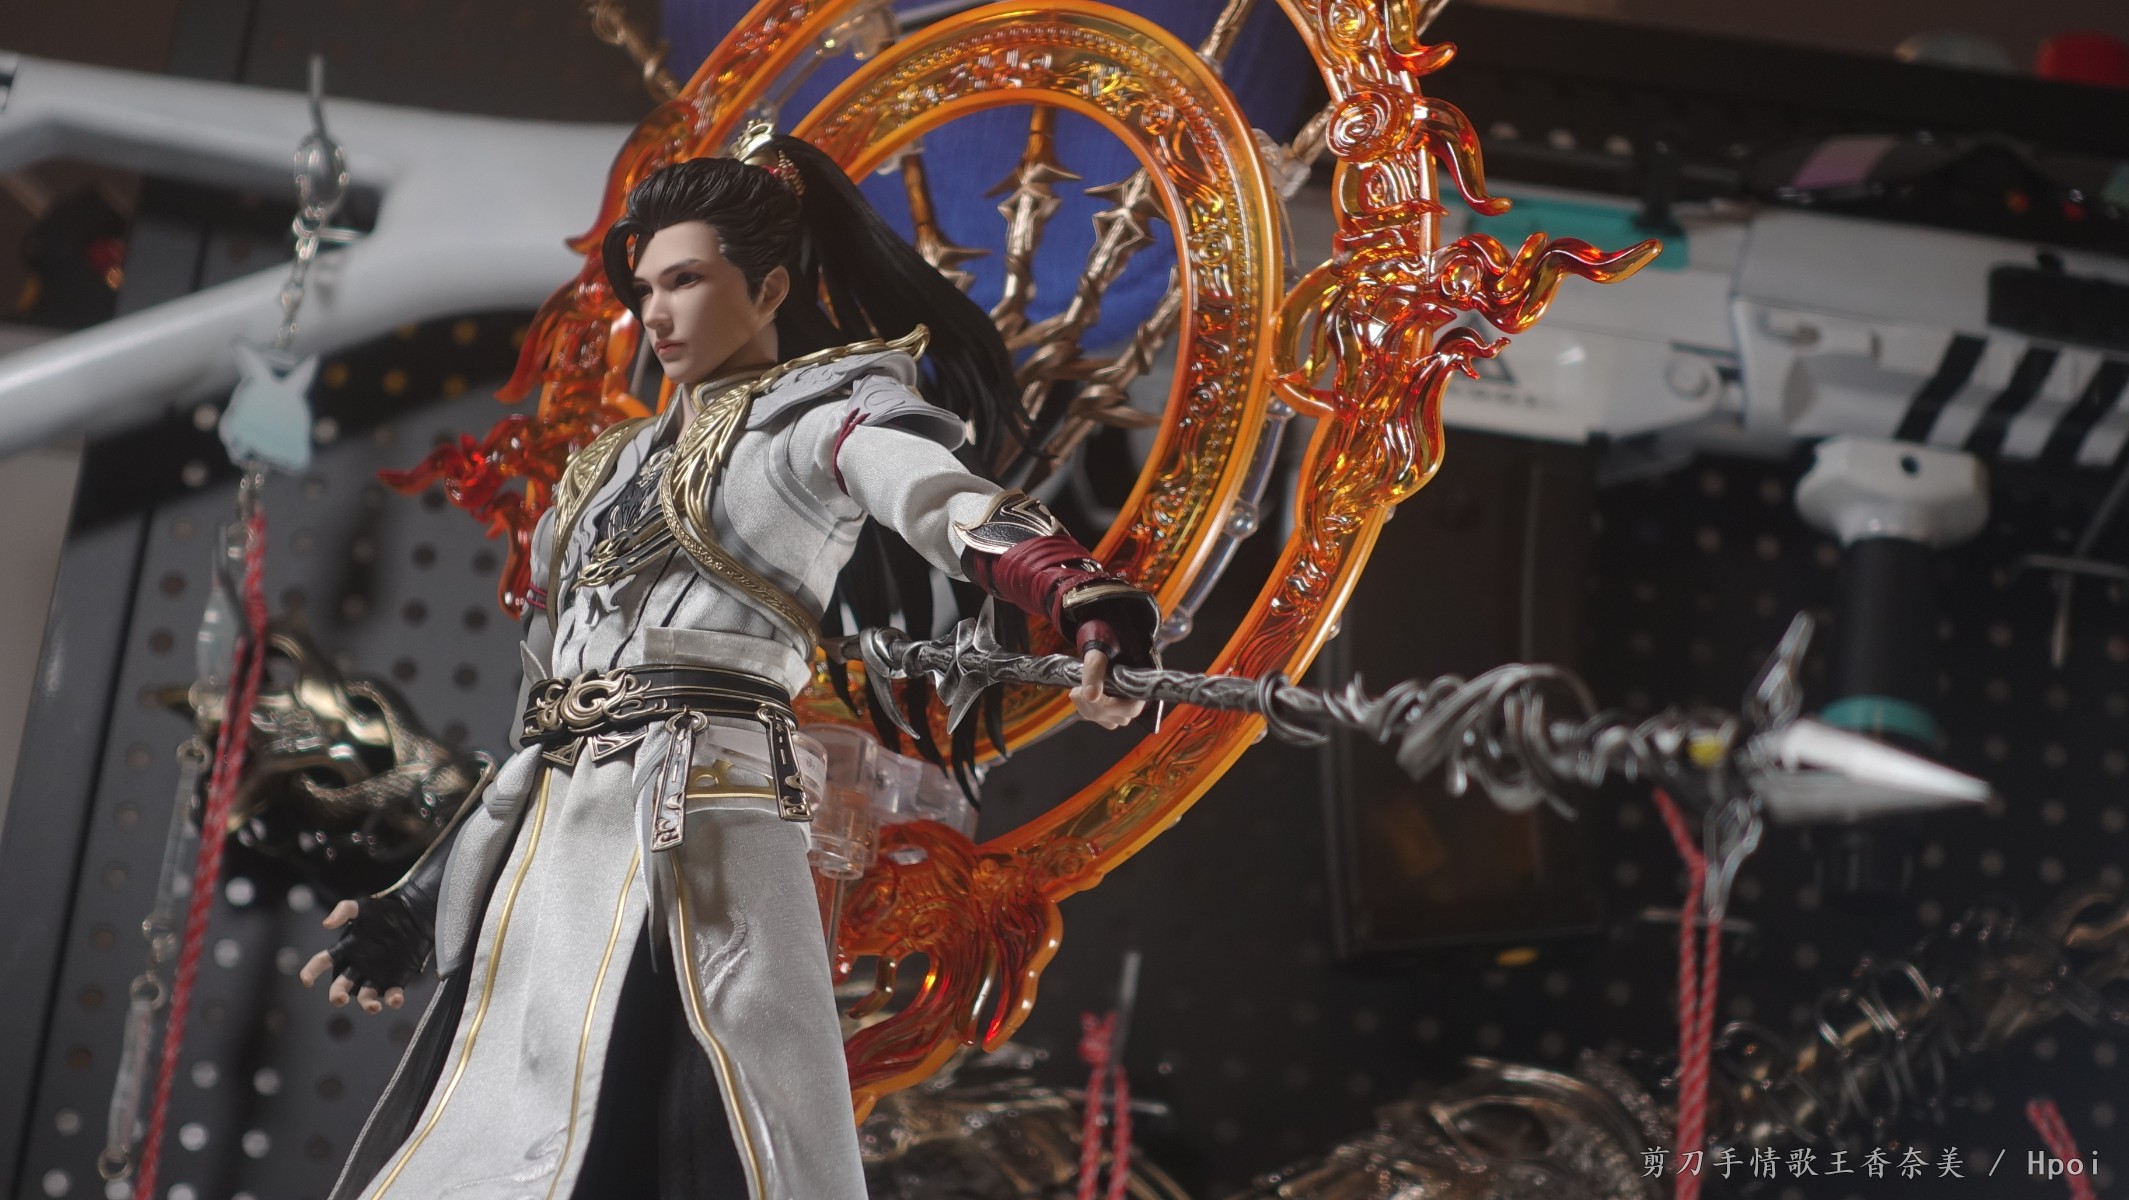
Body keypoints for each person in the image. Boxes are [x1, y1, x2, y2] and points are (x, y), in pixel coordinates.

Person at [300, 135, 1159, 1199]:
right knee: (486, 1126)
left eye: (687, 281)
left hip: (702, 825)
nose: (657, 314)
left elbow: (942, 503)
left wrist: (1076, 592)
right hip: (556, 849)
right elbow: (543, 722)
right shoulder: (601, 471)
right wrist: (429, 897)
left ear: (769, 288)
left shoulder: (822, 423)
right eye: (645, 290)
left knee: (710, 1129)